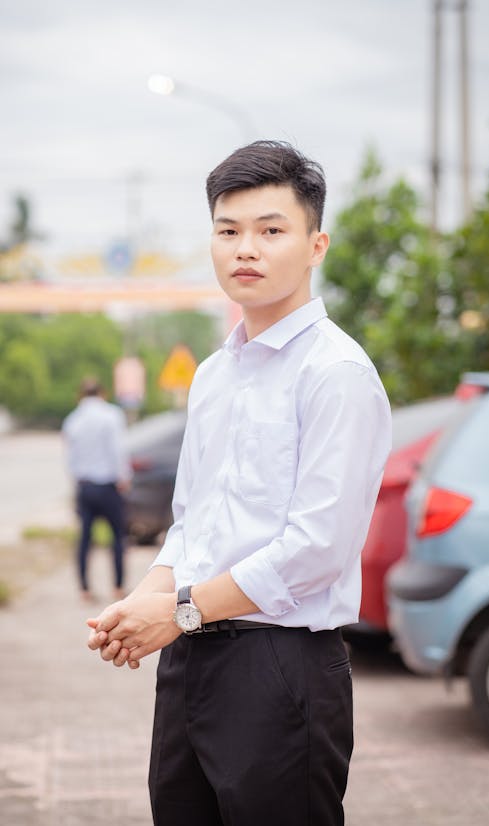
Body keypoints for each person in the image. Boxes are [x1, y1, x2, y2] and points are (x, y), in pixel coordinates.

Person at [86, 141, 392, 826]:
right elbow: (193, 520)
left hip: (280, 669)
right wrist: (141, 604)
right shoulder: (215, 375)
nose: (245, 249)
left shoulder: (335, 374)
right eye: (228, 231)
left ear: (316, 244)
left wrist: (181, 609)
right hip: (190, 662)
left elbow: (317, 548)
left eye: (270, 230)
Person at [62, 376, 131, 601]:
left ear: (81, 395)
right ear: (102, 393)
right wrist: (124, 477)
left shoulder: (72, 420)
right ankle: (118, 587)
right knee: (117, 537)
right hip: (108, 485)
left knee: (84, 539)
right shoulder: (111, 415)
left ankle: (84, 588)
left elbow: (70, 458)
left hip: (85, 486)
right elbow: (118, 450)